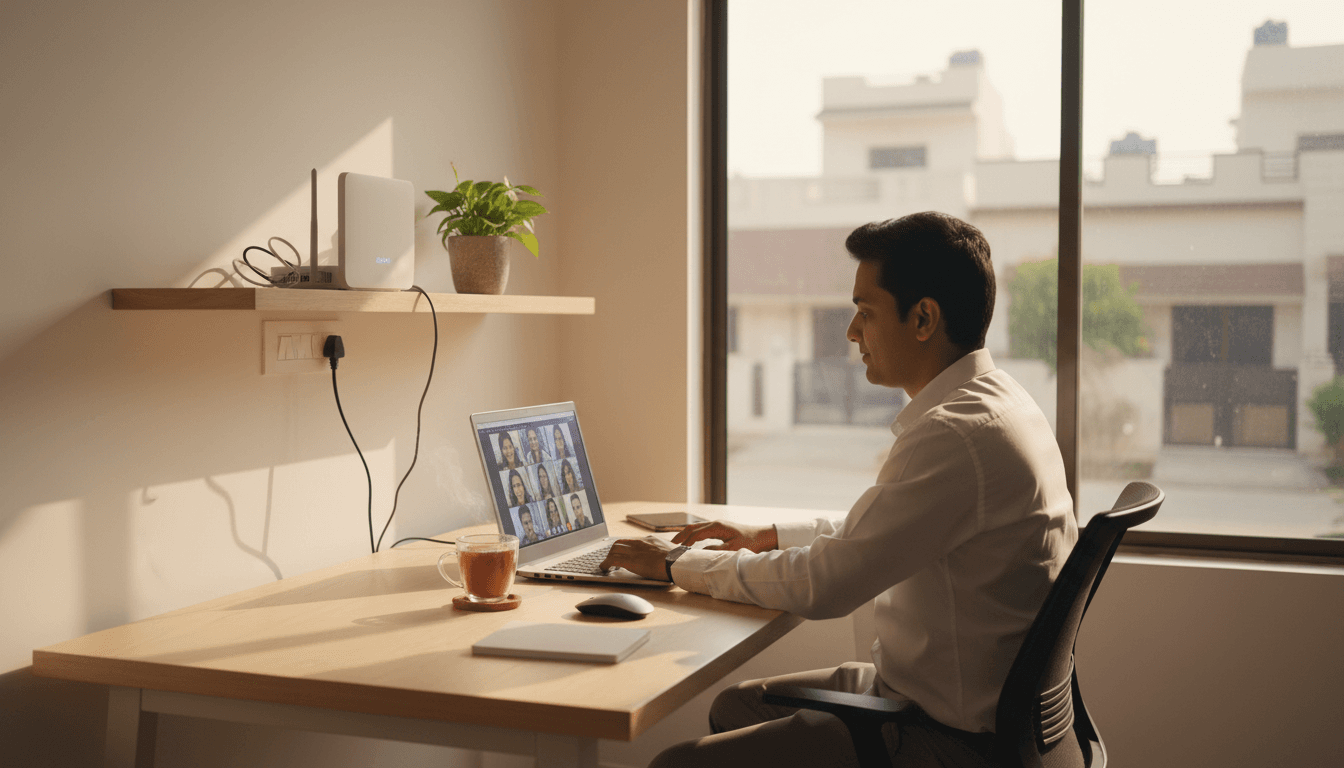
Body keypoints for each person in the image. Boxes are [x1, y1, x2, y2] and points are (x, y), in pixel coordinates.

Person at [600, 212, 1077, 768]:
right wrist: (770, 535)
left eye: (865, 312)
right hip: (968, 710)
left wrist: (677, 563)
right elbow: (882, 534)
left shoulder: (955, 434)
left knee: (675, 765)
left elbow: (825, 585)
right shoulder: (1000, 404)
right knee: (735, 705)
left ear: (923, 318)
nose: (852, 331)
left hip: (945, 736)